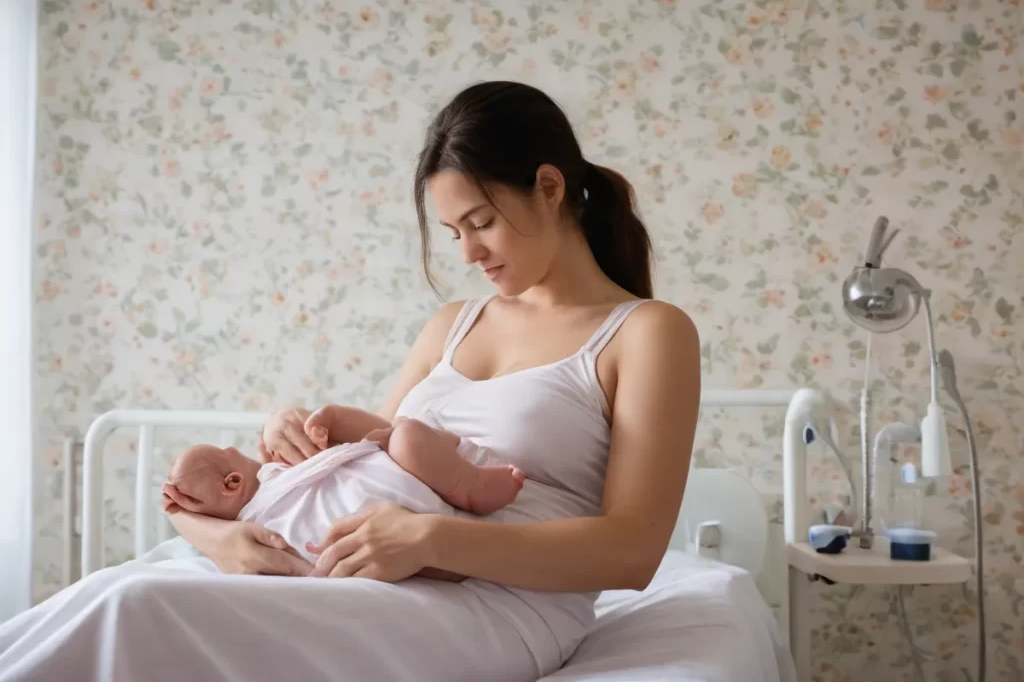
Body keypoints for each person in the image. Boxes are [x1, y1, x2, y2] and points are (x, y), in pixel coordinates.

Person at [0, 80, 700, 682]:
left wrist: (433, 540)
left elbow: (631, 552)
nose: (467, 252)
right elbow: (375, 462)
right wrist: (241, 497)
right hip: (376, 568)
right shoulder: (452, 324)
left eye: (480, 222)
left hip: (502, 601)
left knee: (137, 609)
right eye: (453, 230)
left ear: (549, 187)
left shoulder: (646, 332)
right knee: (114, 588)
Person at [160, 412, 527, 562]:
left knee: (405, 436)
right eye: (234, 453)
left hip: (391, 523)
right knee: (408, 436)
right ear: (233, 481)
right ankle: (471, 486)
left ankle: (467, 487)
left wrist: (334, 434)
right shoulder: (270, 485)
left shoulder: (256, 532)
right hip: (394, 514)